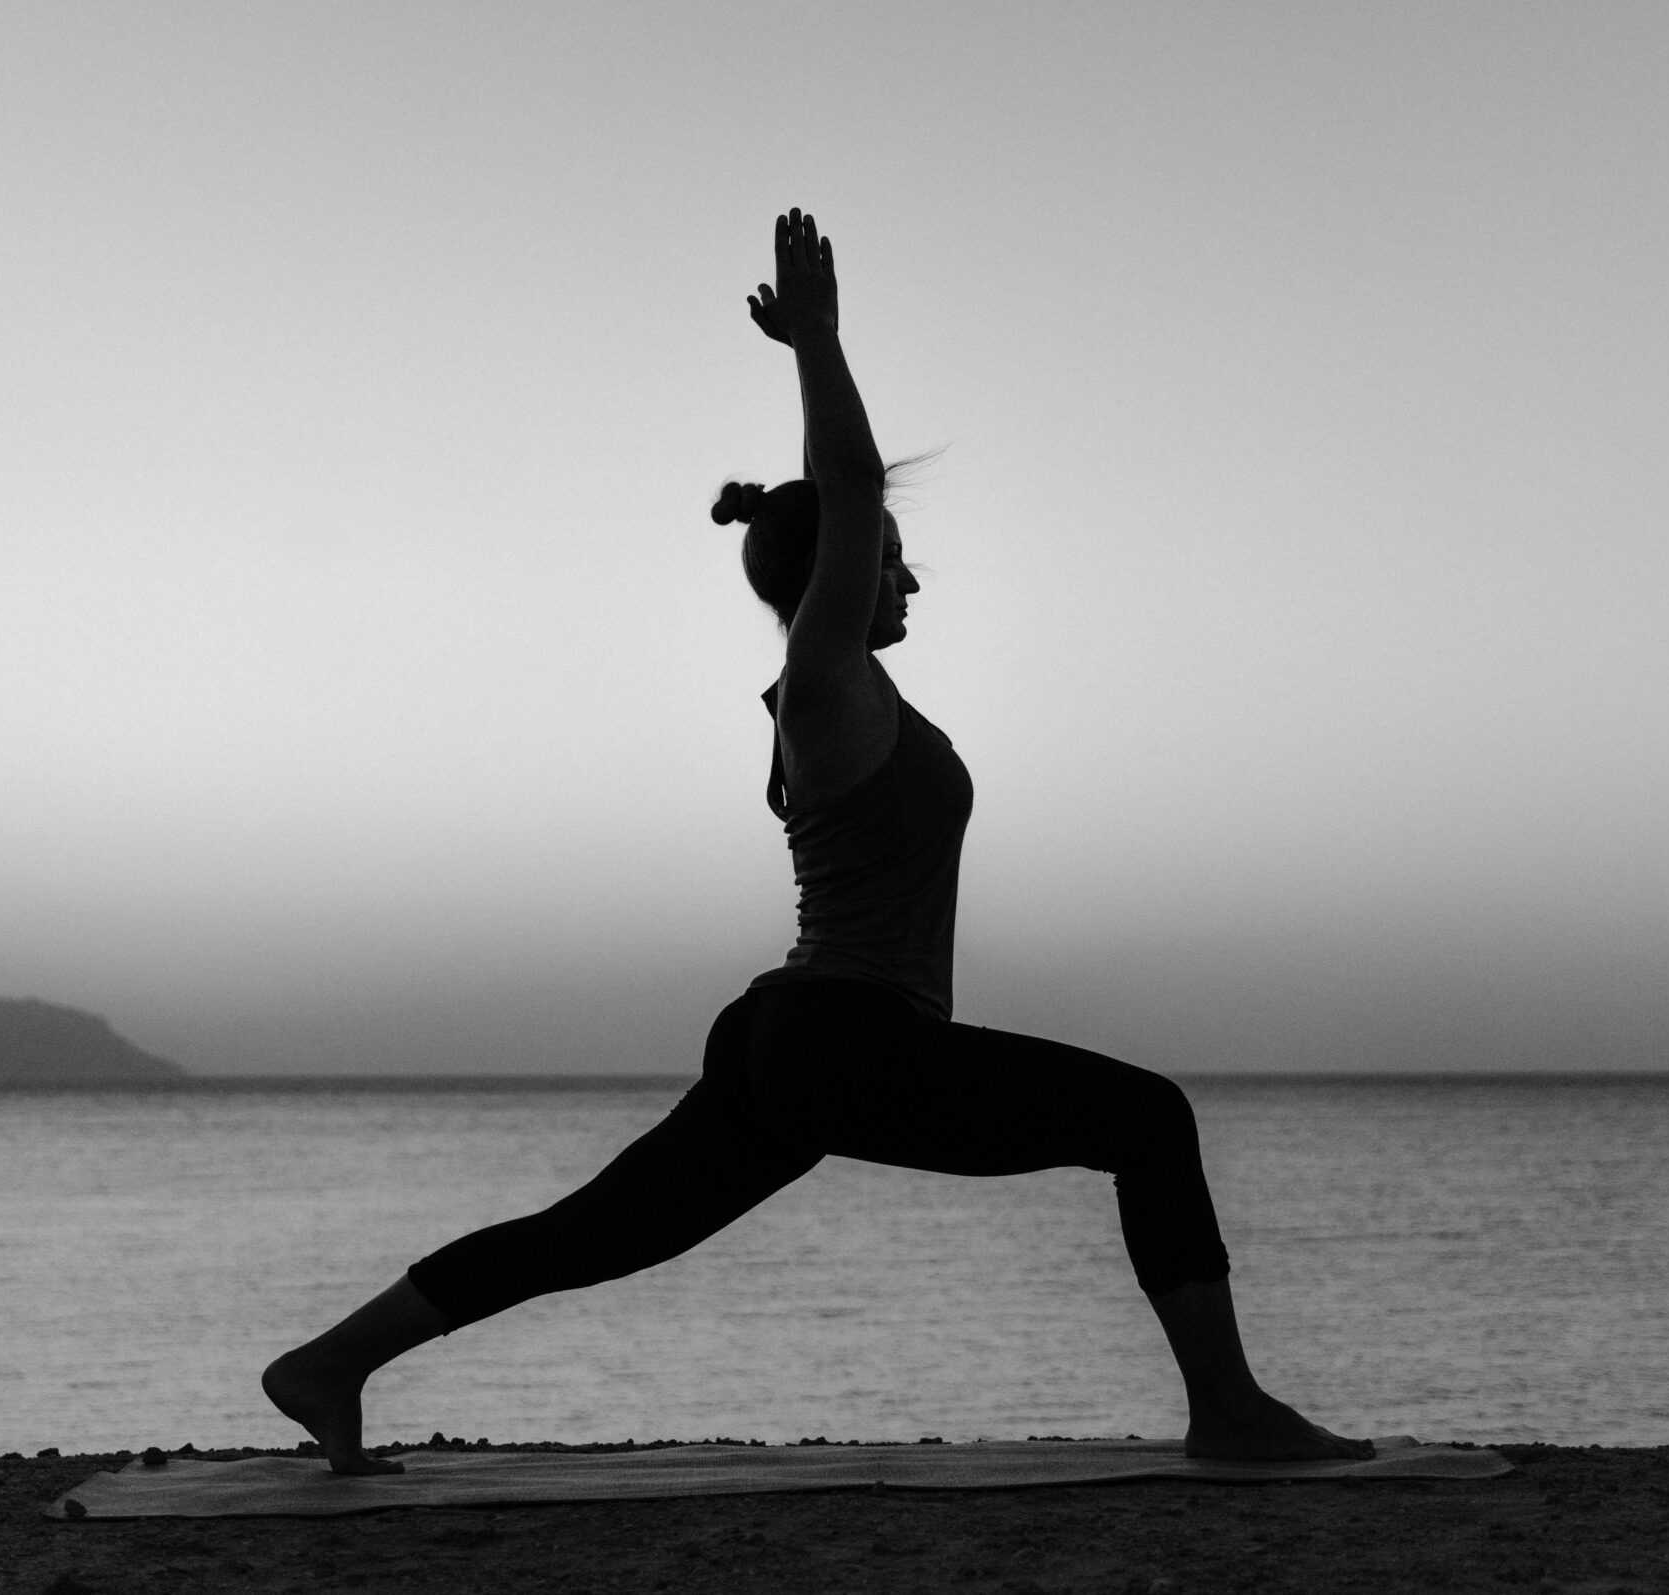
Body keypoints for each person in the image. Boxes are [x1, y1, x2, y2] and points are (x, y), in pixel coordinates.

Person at [264, 209, 1371, 1472]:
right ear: (834, 581)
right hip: (846, 1035)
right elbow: (847, 490)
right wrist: (817, 345)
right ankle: (1228, 1412)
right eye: (891, 564)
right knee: (1147, 1120)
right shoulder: (822, 679)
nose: (907, 581)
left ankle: (327, 1364)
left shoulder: (855, 699)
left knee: (599, 1232)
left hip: (799, 1037)